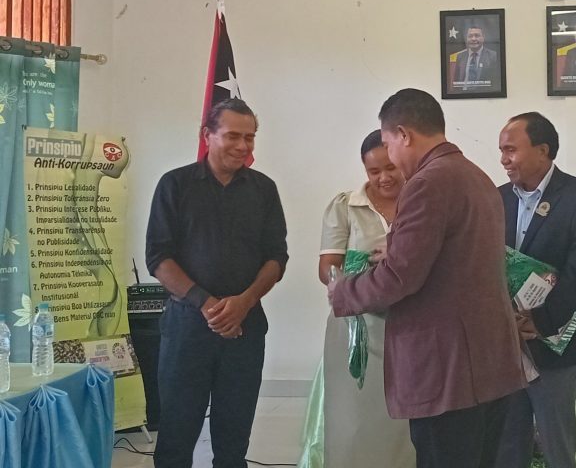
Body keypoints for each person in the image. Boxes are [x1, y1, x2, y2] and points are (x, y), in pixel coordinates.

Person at [329, 88, 525, 468]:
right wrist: (396, 247)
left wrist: (343, 292)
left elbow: (399, 277)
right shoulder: (476, 176)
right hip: (489, 364)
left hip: (448, 372)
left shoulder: (427, 182)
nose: (391, 158)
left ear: (404, 134)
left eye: (388, 144)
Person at [145, 98, 288, 468]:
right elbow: (158, 258)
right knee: (176, 438)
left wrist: (244, 302)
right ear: (206, 135)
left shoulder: (263, 189)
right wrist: (207, 304)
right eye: (233, 136)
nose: (243, 146)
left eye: (250, 138)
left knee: (233, 441)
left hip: (245, 329)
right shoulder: (175, 185)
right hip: (187, 329)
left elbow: (277, 257)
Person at [297, 130, 415, 468]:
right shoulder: (346, 205)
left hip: (409, 323)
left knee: (405, 417)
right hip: (357, 326)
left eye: (390, 168)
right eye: (374, 171)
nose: (383, 178)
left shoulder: (420, 202)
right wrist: (364, 271)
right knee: (354, 416)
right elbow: (327, 268)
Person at [496, 112, 576, 468]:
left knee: (555, 443)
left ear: (542, 150)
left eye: (511, 149)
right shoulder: (496, 198)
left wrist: (540, 321)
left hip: (553, 341)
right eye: (501, 151)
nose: (504, 159)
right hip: (505, 343)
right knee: (506, 443)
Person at [452, 25, 500, 91]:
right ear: (466, 39)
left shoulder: (493, 56)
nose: (473, 39)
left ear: (483, 38)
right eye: (470, 36)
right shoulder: (460, 56)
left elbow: (496, 83)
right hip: (463, 94)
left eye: (477, 36)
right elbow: (456, 82)